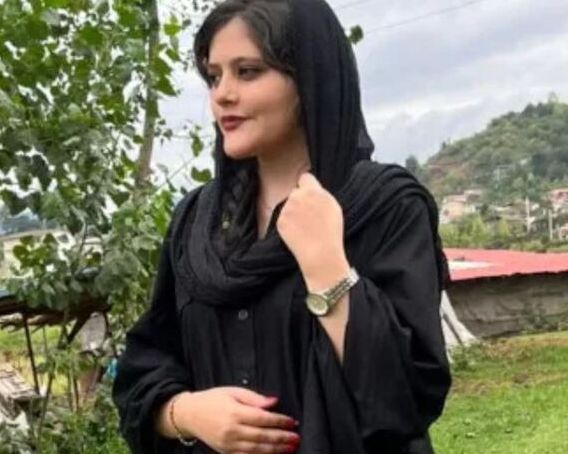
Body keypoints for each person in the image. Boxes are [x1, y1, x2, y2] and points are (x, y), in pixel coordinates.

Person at [112, 1, 452, 453]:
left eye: (247, 71)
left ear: (309, 78)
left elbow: (408, 396)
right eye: (213, 76)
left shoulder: (384, 206)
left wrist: (328, 268)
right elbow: (142, 367)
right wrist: (186, 413)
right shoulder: (197, 224)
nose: (222, 94)